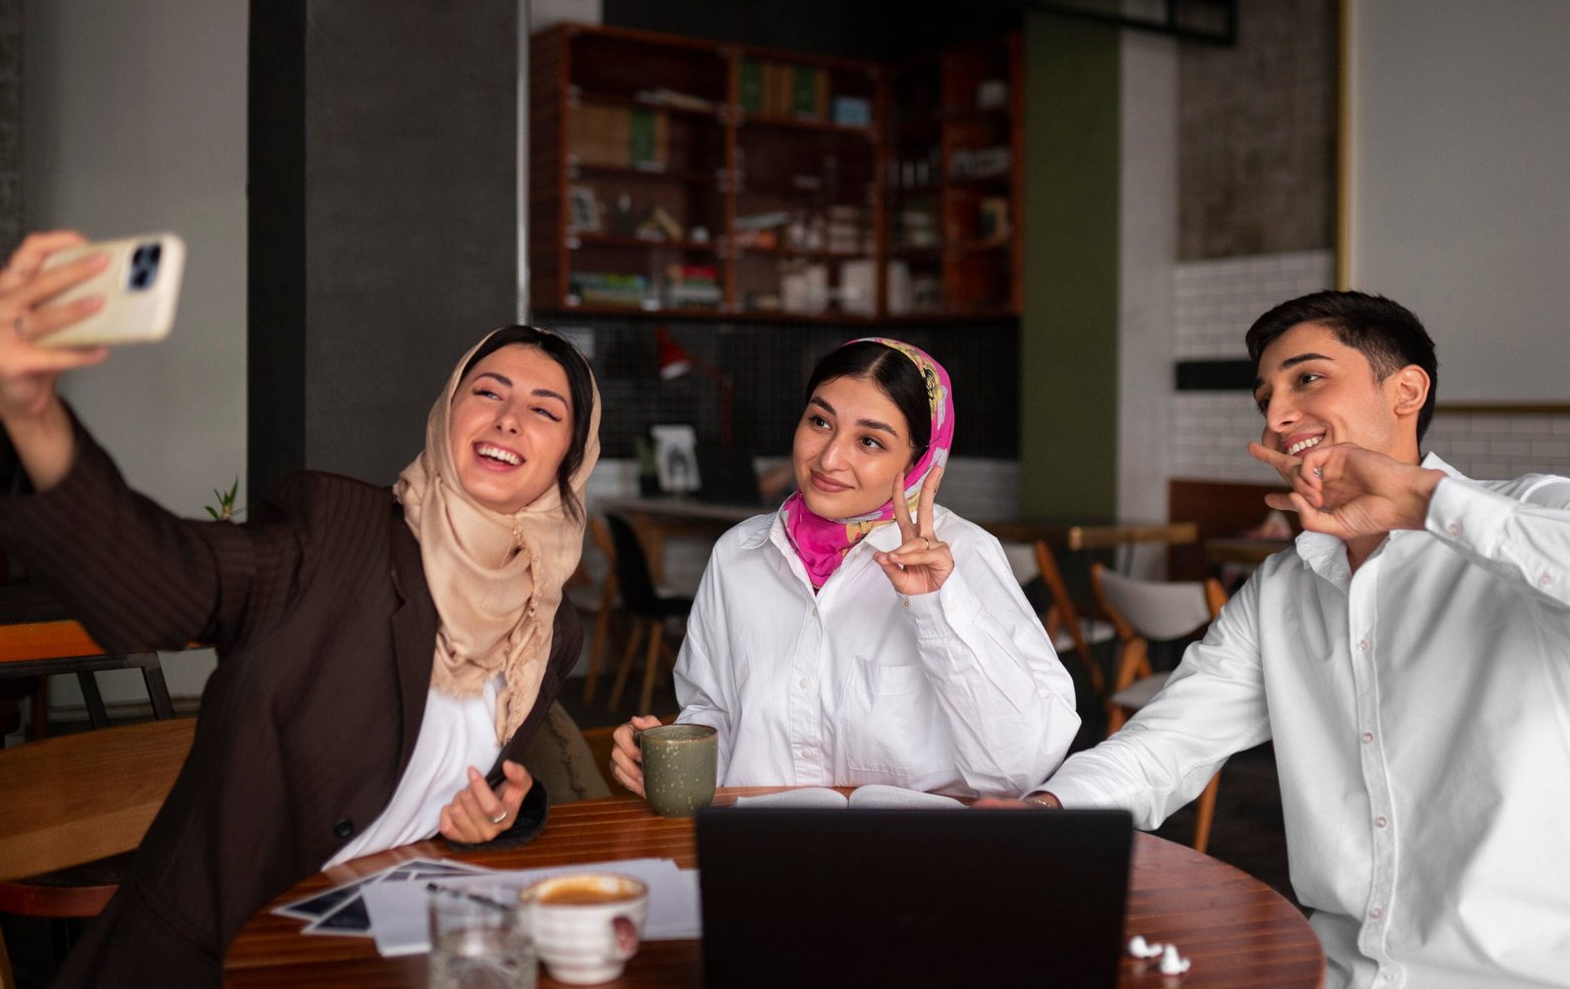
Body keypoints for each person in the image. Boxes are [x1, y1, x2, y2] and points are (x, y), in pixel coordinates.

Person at [0, 232, 601, 988]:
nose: (507, 419)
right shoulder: (331, 533)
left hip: (386, 956)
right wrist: (31, 414)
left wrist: (502, 811)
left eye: (544, 409)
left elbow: (471, 777)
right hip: (220, 962)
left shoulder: (547, 624)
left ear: (570, 456)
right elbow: (165, 579)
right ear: (448, 411)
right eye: (488, 390)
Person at [989, 290, 1570, 988]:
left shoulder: (1531, 515)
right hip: (1333, 973)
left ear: (1406, 390)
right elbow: (1165, 746)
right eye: (1265, 395)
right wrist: (1047, 815)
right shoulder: (1281, 590)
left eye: (1308, 378)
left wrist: (1420, 500)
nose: (1277, 415)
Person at [611, 338, 1079, 798]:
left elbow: (1021, 767)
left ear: (919, 463)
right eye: (820, 421)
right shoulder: (739, 555)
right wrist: (673, 754)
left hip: (916, 859)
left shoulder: (964, 557)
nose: (830, 458)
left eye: (870, 441)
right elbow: (715, 709)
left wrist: (937, 606)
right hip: (760, 850)